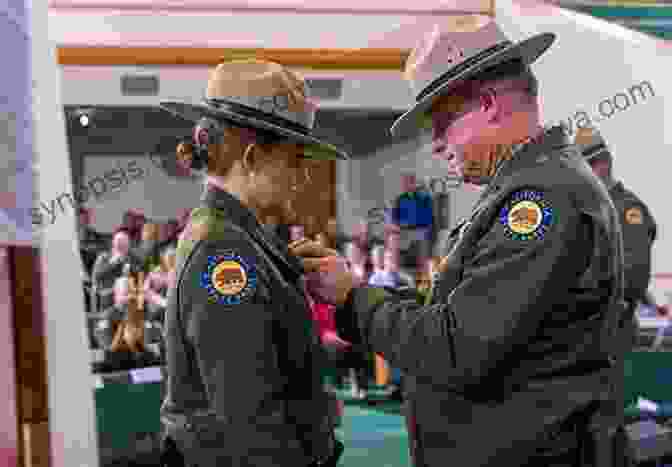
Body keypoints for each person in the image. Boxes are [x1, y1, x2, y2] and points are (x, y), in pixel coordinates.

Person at [294, 16, 626, 467]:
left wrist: (354, 299)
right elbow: (458, 312)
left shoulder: (541, 199)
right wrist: (356, 291)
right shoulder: (531, 185)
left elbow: (456, 349)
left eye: (442, 123)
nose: (434, 144)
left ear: (488, 103)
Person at [157, 59, 348, 467]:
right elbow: (251, 422)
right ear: (251, 156)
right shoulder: (225, 251)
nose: (301, 176)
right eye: (295, 159)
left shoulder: (240, 236)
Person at [576, 126, 657, 466]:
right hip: (582, 334)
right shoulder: (590, 208)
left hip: (610, 329)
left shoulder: (626, 210)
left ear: (603, 165)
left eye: (586, 166)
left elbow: (634, 277)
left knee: (604, 422)